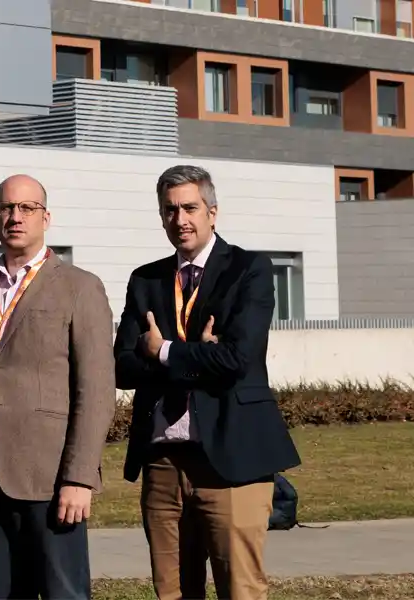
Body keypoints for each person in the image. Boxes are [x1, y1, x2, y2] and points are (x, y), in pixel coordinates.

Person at [114, 164, 301, 600]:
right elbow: (122, 367)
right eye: (170, 210)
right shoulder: (146, 279)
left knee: (240, 589)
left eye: (190, 208)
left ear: (213, 212)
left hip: (232, 460)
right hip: (163, 462)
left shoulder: (249, 269)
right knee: (173, 592)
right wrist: (199, 352)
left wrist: (162, 351)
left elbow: (237, 358)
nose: (180, 220)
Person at [0, 174, 116, 599]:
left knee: (62, 592)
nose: (15, 217)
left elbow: (96, 390)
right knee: (6, 592)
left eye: (27, 208)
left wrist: (79, 477)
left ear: (46, 217)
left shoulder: (79, 287)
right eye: (6, 208)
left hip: (50, 477)